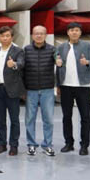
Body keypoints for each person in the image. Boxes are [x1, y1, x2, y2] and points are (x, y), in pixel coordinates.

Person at [56, 22, 90, 156]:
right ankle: (69, 143)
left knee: (85, 117)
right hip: (66, 86)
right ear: (68, 32)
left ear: (80, 33)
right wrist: (58, 85)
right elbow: (58, 67)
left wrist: (87, 62)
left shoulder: (87, 45)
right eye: (72, 30)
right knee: (66, 116)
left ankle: (84, 145)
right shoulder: (61, 47)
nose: (74, 32)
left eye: (77, 30)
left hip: (82, 86)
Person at [0, 26, 25, 156]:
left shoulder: (18, 51)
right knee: (0, 120)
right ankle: (2, 144)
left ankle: (14, 145)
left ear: (12, 37)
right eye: (2, 36)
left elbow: (21, 64)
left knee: (14, 120)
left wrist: (14, 64)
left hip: (12, 90)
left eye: (7, 36)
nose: (5, 38)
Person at [23, 25, 56, 157]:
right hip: (31, 89)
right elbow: (22, 69)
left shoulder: (52, 49)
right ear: (32, 35)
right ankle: (31, 144)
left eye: (41, 33)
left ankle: (47, 145)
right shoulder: (26, 50)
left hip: (47, 89)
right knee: (30, 119)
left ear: (45, 35)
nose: (39, 35)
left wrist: (60, 62)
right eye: (36, 33)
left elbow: (60, 63)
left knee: (49, 119)